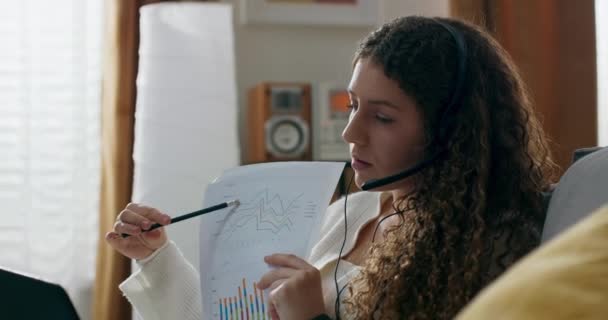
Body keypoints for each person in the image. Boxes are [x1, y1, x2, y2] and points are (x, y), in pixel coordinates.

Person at [105, 16, 556, 319]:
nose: (351, 133)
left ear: (451, 132)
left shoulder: (479, 249)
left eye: (382, 117)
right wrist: (157, 258)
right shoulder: (352, 210)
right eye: (353, 105)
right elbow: (228, 312)